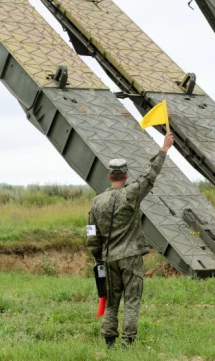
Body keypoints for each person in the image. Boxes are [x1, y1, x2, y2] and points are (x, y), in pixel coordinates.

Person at [87, 133, 175, 349]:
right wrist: (163, 149)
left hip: (109, 260)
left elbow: (91, 234)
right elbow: (149, 176)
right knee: (132, 300)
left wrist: (98, 258)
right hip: (130, 257)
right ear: (126, 176)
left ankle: (109, 341)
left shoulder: (97, 202)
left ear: (109, 176)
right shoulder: (131, 194)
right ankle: (128, 342)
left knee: (111, 302)